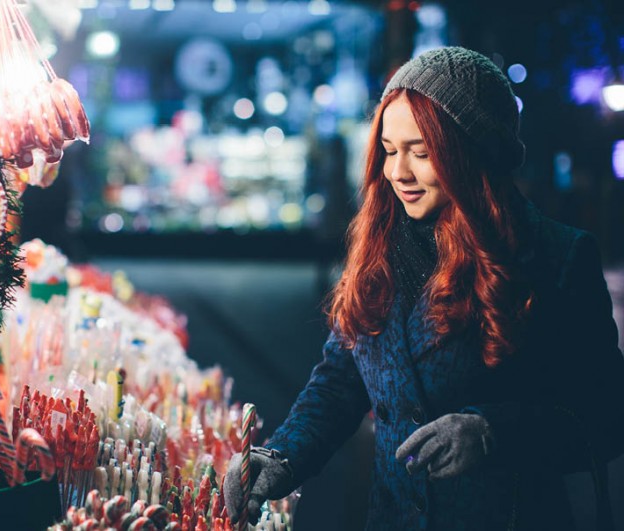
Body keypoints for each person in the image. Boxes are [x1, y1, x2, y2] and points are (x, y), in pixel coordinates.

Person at [223, 46, 624, 530]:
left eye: (421, 152)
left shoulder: (555, 257)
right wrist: (283, 456)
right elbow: (340, 382)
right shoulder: (379, 250)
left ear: (472, 150)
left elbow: (605, 416)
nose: (398, 173)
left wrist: (493, 432)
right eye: (390, 151)